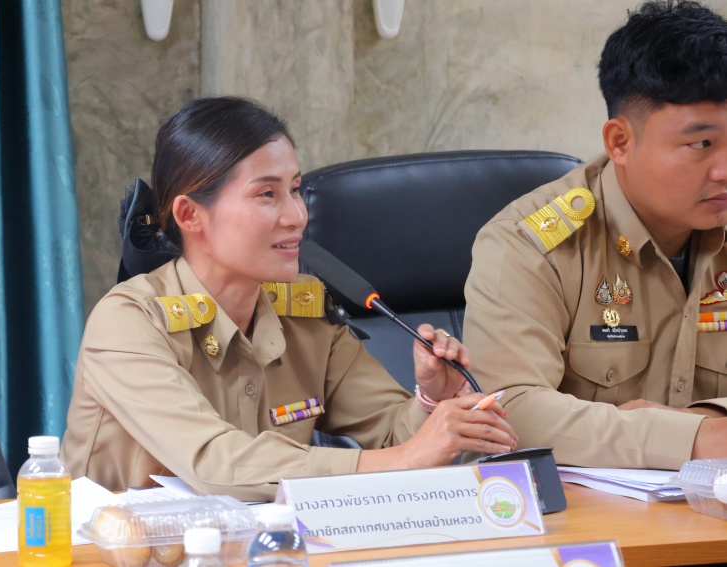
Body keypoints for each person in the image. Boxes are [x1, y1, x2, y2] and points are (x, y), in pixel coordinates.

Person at [62, 96, 517, 500]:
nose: (297, 215)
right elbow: (215, 463)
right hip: (115, 549)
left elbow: (391, 436)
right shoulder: (129, 321)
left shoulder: (305, 311)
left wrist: (431, 401)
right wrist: (406, 460)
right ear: (190, 214)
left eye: (295, 190)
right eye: (267, 194)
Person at [462, 0, 727, 470]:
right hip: (578, 510)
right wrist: (693, 439)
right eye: (701, 144)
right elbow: (509, 409)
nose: (723, 169)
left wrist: (706, 421)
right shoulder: (529, 244)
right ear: (620, 142)